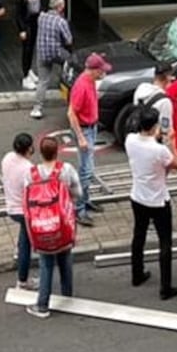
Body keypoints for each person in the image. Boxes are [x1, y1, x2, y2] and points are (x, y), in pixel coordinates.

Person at [126, 106, 177, 300]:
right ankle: (165, 287)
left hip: (138, 196)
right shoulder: (159, 150)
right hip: (158, 200)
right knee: (165, 242)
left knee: (138, 235)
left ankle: (137, 273)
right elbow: (176, 164)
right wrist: (172, 143)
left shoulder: (130, 141)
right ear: (154, 126)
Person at [24, 136, 82, 318]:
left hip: (41, 225)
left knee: (46, 264)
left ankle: (42, 305)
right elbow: (78, 193)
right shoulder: (66, 170)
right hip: (63, 223)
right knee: (65, 258)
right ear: (57, 152)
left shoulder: (31, 174)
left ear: (40, 153)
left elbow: (26, 198)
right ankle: (67, 295)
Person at [68, 53, 110, 226]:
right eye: (102, 70)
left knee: (88, 169)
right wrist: (81, 138)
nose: (104, 74)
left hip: (90, 127)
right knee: (85, 172)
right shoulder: (81, 86)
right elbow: (71, 113)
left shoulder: (90, 81)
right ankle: (78, 209)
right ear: (94, 70)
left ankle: (85, 201)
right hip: (84, 131)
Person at [1, 133, 37, 290]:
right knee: (26, 244)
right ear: (29, 149)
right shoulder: (28, 169)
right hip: (23, 210)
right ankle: (22, 281)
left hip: (10, 205)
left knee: (24, 237)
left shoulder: (8, 158)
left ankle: (19, 253)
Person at [30, 0, 73, 120]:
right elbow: (69, 40)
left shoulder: (41, 17)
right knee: (70, 68)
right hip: (57, 52)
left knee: (43, 81)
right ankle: (72, 99)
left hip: (42, 53)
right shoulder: (61, 21)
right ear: (60, 7)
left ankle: (37, 109)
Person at [133, 61, 175, 144]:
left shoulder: (141, 88)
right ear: (168, 77)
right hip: (153, 141)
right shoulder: (165, 101)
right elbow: (165, 128)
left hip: (139, 135)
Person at [15, 0, 43, 91]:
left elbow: (41, 5)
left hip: (35, 21)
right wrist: (21, 29)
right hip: (26, 23)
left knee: (32, 48)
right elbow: (18, 14)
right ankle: (25, 76)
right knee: (26, 49)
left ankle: (29, 70)